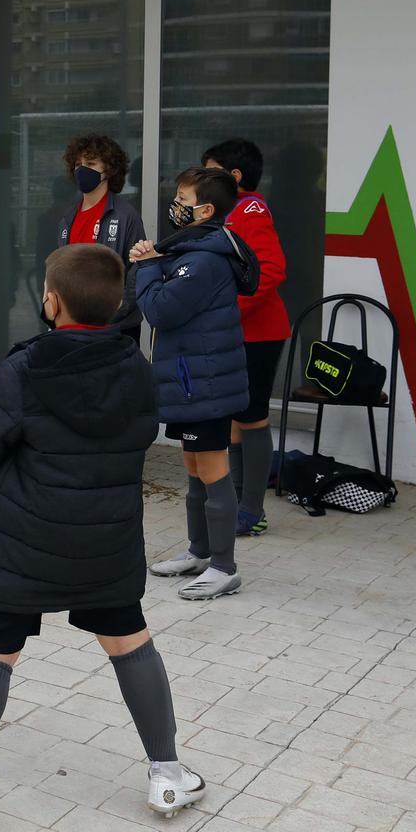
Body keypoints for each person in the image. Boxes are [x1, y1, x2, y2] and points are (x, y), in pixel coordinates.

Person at [0, 244, 203, 832]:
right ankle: (168, 773)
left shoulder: (22, 368)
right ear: (118, 304)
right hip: (107, 538)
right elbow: (143, 436)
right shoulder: (137, 369)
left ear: (51, 300)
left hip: (22, 536)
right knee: (130, 643)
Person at [131, 166, 258, 601]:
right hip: (192, 379)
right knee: (193, 469)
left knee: (211, 467)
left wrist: (147, 267)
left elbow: (162, 311)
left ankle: (224, 567)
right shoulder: (193, 249)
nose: (176, 205)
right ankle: (199, 551)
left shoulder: (204, 259)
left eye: (183, 198)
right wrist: (157, 263)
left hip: (204, 383)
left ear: (205, 209)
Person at [203, 138, 289, 536]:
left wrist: (229, 312)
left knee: (252, 419)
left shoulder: (250, 208)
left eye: (210, 170)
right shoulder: (224, 212)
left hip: (258, 334)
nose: (203, 179)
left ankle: (253, 510)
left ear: (233, 176)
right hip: (235, 333)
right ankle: (239, 503)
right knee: (235, 420)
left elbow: (270, 270)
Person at [54, 134, 147, 340]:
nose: (82, 169)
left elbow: (137, 271)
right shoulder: (68, 218)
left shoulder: (125, 215)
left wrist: (112, 314)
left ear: (109, 170)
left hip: (115, 328)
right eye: (78, 164)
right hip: (74, 325)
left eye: (91, 163)